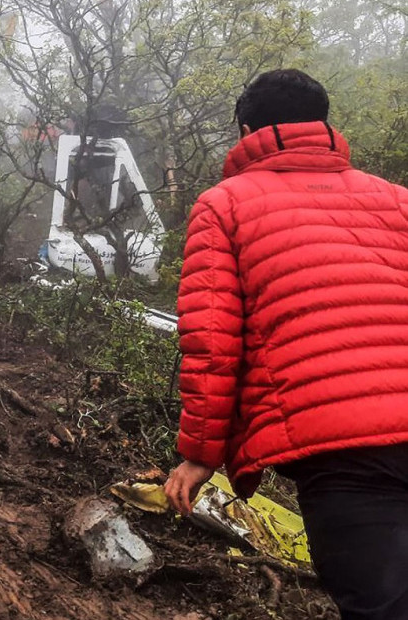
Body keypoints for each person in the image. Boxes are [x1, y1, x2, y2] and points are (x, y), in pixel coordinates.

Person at [163, 69, 408, 619]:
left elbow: (212, 340)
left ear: (247, 129)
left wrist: (200, 453)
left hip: (344, 451)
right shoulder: (398, 201)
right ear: (323, 124)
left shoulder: (224, 204)